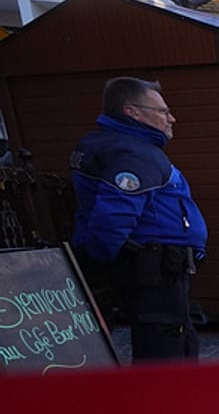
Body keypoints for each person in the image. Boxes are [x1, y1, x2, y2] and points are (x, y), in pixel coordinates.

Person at [69, 77, 207, 362]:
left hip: (159, 269)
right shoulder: (133, 155)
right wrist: (100, 266)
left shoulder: (132, 148)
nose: (171, 118)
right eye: (163, 111)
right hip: (152, 269)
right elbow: (112, 218)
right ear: (132, 112)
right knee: (163, 351)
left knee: (177, 342)